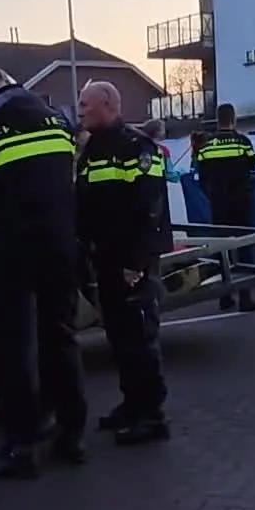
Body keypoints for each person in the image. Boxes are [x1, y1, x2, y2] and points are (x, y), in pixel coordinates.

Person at [0, 65, 88, 479]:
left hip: (11, 250)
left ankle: (21, 446)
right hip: (61, 246)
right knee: (60, 339)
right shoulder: (56, 120)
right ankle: (71, 434)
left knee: (14, 347)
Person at [76, 81, 175, 444]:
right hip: (105, 258)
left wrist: (136, 263)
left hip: (132, 262)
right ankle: (132, 403)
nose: (80, 110)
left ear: (108, 104)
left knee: (140, 338)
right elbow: (86, 206)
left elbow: (149, 209)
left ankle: (151, 415)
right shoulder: (92, 150)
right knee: (119, 337)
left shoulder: (137, 146)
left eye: (85, 104)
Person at [193, 102, 255, 312]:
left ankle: (224, 297)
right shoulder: (242, 142)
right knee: (245, 247)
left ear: (217, 119)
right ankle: (245, 298)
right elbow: (254, 164)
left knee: (222, 248)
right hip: (241, 202)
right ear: (234, 119)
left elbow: (201, 173)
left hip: (218, 204)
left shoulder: (207, 145)